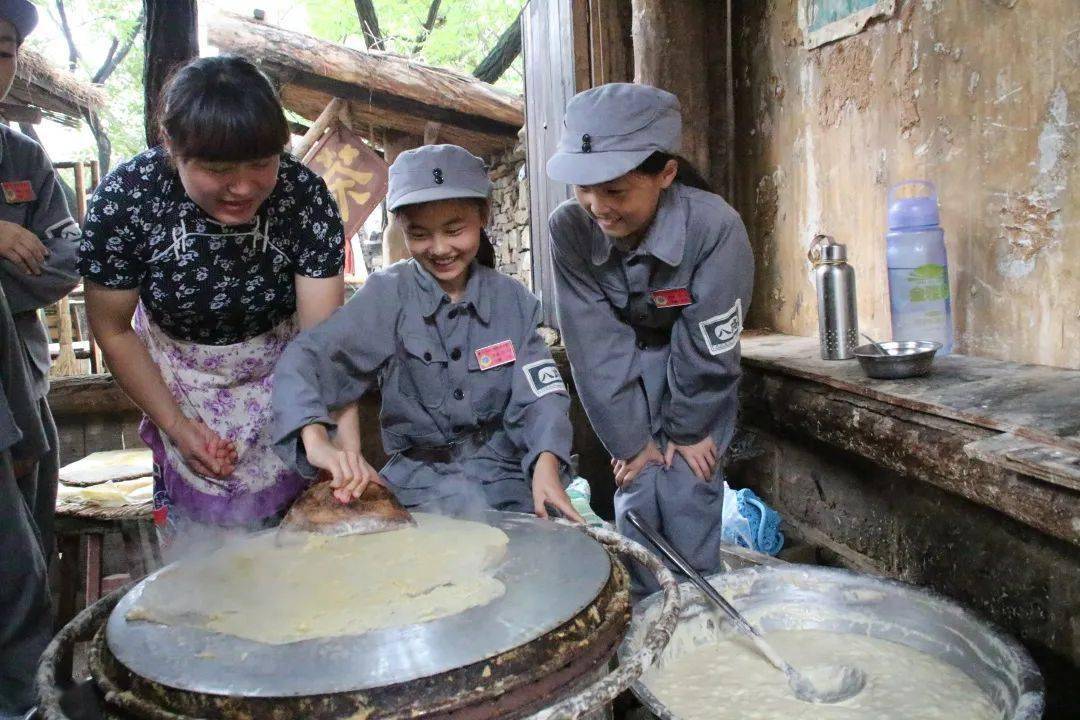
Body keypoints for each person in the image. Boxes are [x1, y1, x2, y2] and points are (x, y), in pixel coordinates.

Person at [78, 56, 347, 543]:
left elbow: (321, 340)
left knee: (299, 554)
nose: (242, 187)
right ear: (172, 148)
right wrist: (177, 426)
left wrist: (317, 431)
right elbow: (114, 329)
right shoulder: (127, 200)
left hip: (285, 379)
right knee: (208, 562)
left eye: (262, 164)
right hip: (180, 383)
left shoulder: (303, 197)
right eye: (217, 169)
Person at [273, 144, 582, 522]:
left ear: (483, 214)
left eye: (454, 230)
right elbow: (305, 359)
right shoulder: (387, 298)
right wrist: (315, 437)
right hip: (415, 488)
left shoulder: (512, 303)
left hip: (506, 481)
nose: (439, 249)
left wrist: (547, 464)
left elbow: (541, 397)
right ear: (400, 228)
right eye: (419, 234)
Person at [545, 83, 754, 593]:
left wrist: (687, 428)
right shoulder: (568, 228)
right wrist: (630, 441)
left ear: (665, 173)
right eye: (584, 189)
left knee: (689, 482)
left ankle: (700, 608)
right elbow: (593, 345)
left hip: (696, 370)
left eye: (615, 191)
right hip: (621, 376)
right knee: (636, 485)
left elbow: (709, 342)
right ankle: (644, 608)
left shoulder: (715, 226)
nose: (597, 207)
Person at [0, 1, 83, 713]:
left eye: (1, 52)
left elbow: (64, 263)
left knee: (27, 560)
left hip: (19, 383)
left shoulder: (22, 156)